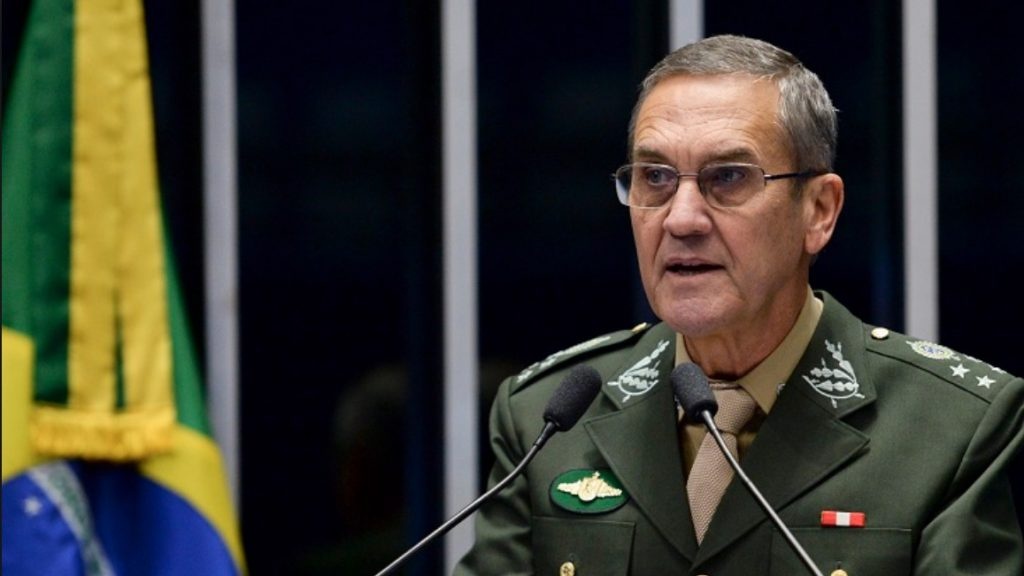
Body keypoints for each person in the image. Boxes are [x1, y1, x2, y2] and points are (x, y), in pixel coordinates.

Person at [454, 34, 1024, 575]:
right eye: (655, 177)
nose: (681, 219)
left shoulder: (951, 428)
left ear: (819, 210)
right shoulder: (547, 419)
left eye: (728, 177)